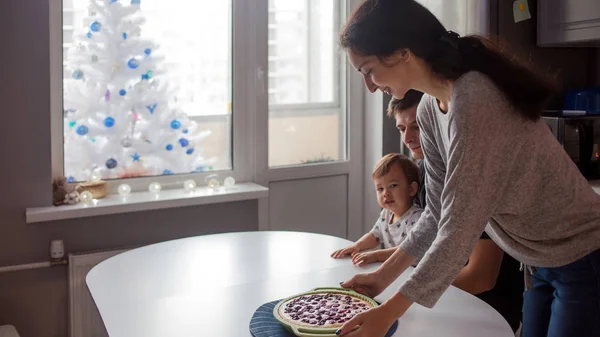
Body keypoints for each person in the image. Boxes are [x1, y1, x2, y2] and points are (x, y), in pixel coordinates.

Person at [334, 1, 600, 337]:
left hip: (583, 256)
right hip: (537, 262)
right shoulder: (430, 108)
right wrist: (381, 277)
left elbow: (458, 228)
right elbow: (438, 213)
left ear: (402, 53)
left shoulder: (475, 98)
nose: (369, 86)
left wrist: (388, 312)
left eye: (368, 70)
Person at [389, 91, 524, 333]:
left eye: (416, 127)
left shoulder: (472, 175)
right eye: (401, 128)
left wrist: (401, 294)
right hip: (443, 297)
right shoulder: (421, 173)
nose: (407, 138)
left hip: (487, 309)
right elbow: (426, 237)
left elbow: (480, 277)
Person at [332, 153, 423, 266]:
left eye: (393, 185)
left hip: (415, 274)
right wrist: (356, 246)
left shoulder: (417, 218)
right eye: (380, 189)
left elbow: (407, 251)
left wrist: (376, 256)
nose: (386, 193)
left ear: (411, 189)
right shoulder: (387, 214)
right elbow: (374, 236)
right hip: (396, 270)